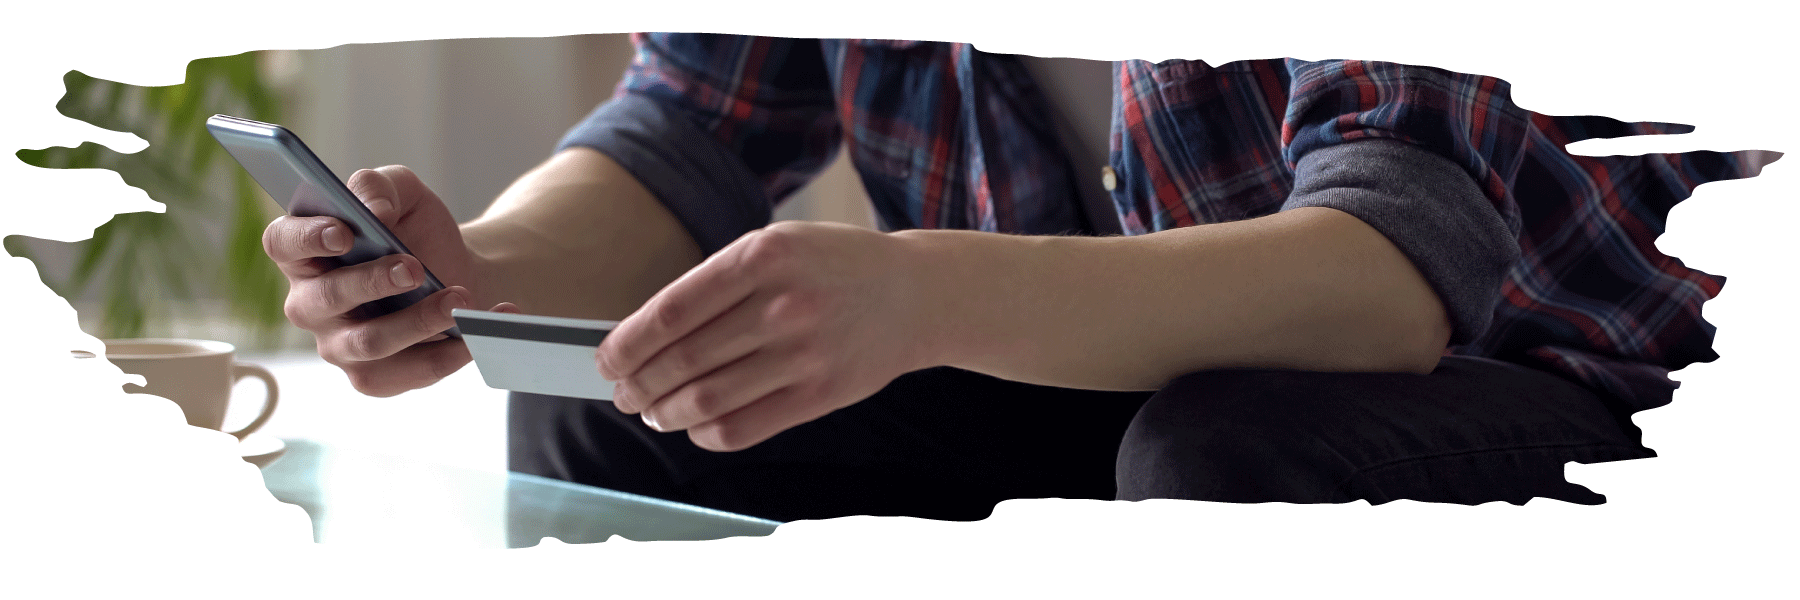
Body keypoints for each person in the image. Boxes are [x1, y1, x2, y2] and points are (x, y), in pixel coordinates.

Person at [260, 34, 1767, 522]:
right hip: (1094, 376)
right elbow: (679, 132)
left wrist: (920, 293)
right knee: (620, 414)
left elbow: (1384, 280)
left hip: (1555, 389)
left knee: (1222, 451)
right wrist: (473, 273)